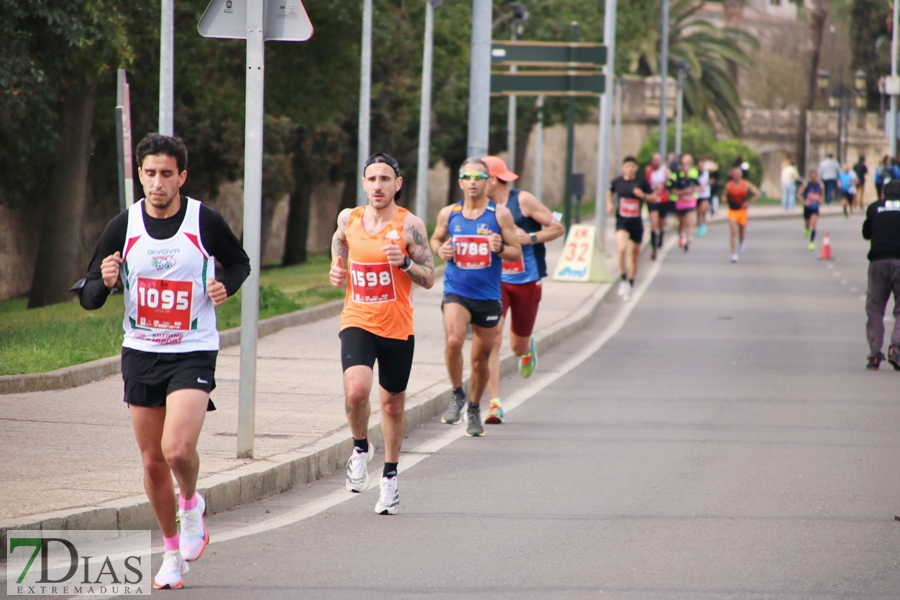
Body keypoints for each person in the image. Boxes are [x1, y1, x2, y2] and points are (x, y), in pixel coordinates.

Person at [77, 134, 250, 590]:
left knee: (176, 449)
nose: (157, 183)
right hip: (141, 351)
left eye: (167, 174)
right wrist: (106, 281)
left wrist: (224, 288)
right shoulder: (124, 225)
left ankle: (191, 503)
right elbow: (90, 296)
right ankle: (171, 552)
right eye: (150, 173)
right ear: (140, 174)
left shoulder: (204, 221)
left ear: (182, 177)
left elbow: (240, 263)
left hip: (192, 349)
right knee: (153, 461)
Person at [329, 153, 435, 515]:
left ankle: (389, 478)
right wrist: (336, 263)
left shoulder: (409, 227)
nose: (378, 185)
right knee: (356, 392)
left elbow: (430, 277)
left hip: (396, 327)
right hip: (357, 319)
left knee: (392, 404)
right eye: (372, 179)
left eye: (385, 179)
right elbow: (339, 239)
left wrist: (404, 262)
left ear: (398, 184)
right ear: (364, 183)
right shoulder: (350, 217)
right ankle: (360, 447)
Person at [430, 158, 521, 437]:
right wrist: (440, 250)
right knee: (455, 339)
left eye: (478, 177)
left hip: (488, 295)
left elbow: (516, 251)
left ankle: (473, 407)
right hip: (457, 290)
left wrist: (500, 247)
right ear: (460, 182)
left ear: (487, 182)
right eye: (467, 176)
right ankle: (457, 392)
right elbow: (435, 240)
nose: (472, 181)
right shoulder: (449, 213)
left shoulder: (500, 214)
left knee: (480, 360)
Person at [482, 156, 563, 424]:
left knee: (517, 346)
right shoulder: (480, 207)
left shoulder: (523, 201)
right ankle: (494, 404)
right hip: (496, 281)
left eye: (481, 178)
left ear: (492, 179)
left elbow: (557, 227)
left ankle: (528, 350)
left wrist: (530, 238)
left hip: (527, 280)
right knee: (493, 337)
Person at [862, 179, 900, 370]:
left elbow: (866, 233)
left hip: (878, 262)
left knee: (875, 310)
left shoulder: (875, 207)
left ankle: (874, 356)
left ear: (883, 195)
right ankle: (896, 349)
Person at [607, 156, 657, 299]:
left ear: (636, 168)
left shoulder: (641, 182)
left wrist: (644, 196)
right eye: (628, 166)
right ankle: (623, 280)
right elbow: (609, 193)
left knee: (634, 256)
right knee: (622, 248)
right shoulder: (617, 182)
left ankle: (631, 283)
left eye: (633, 166)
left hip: (636, 223)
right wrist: (609, 204)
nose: (630, 168)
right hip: (622, 222)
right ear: (623, 167)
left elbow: (654, 197)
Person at [723, 165, 761, 263]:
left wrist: (749, 202)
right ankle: (734, 253)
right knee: (733, 232)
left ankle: (742, 241)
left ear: (741, 175)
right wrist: (723, 199)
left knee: (742, 233)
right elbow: (724, 196)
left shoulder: (746, 184)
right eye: (734, 174)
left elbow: (757, 193)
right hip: (732, 210)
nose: (736, 176)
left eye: (738, 174)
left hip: (742, 210)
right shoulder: (729, 185)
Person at [668, 153, 699, 252]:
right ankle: (681, 235)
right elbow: (672, 188)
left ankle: (688, 239)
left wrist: (694, 189)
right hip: (679, 201)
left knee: (690, 222)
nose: (686, 166)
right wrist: (682, 192)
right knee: (681, 223)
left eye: (688, 164)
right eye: (684, 164)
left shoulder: (694, 172)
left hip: (690, 201)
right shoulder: (677, 174)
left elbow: (699, 186)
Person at [646, 153, 672, 260]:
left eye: (658, 160)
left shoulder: (665, 170)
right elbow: (646, 183)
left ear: (661, 161)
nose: (656, 162)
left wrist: (663, 184)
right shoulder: (648, 170)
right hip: (653, 200)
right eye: (654, 160)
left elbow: (671, 182)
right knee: (654, 224)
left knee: (661, 224)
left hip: (663, 200)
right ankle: (654, 249)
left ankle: (662, 235)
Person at [797, 170, 824, 251]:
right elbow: (798, 194)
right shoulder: (806, 185)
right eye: (812, 177)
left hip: (815, 207)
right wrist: (804, 202)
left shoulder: (820, 185)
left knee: (814, 224)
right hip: (807, 207)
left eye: (815, 177)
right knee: (807, 224)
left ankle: (811, 242)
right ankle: (806, 229)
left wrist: (821, 200)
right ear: (810, 177)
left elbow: (822, 195)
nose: (814, 179)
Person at [695, 157, 712, 237]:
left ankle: (704, 225)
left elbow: (711, 181)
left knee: (703, 210)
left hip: (705, 195)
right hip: (697, 195)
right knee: (698, 212)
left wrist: (709, 182)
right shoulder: (694, 173)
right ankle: (700, 226)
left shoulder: (707, 173)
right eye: (699, 165)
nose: (700, 167)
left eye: (701, 165)